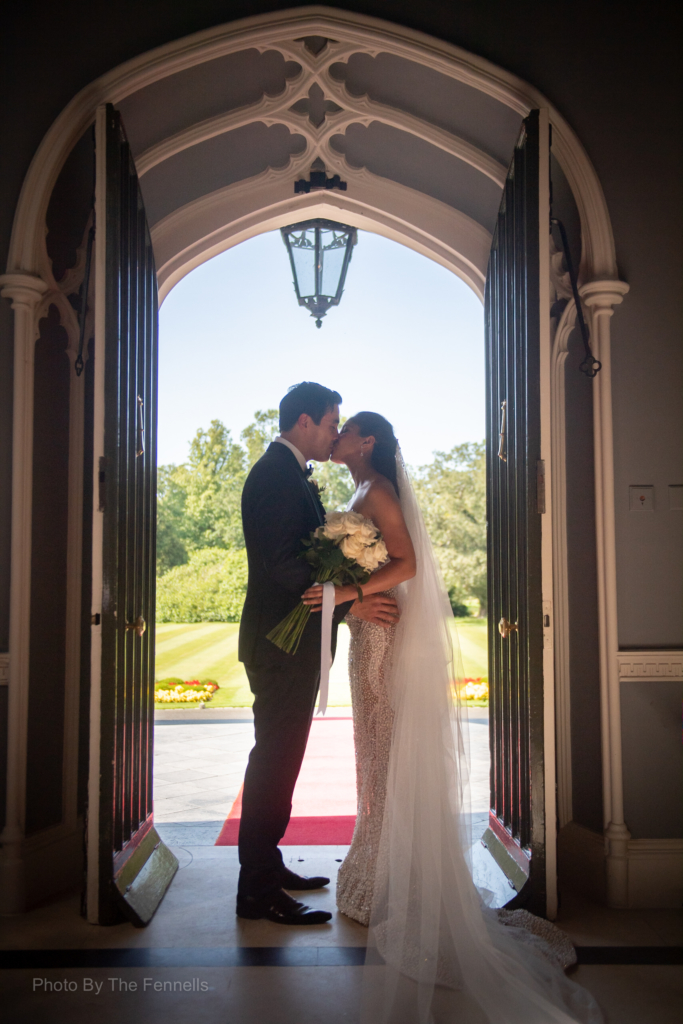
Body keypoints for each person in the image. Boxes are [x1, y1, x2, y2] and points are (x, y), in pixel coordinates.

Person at [303, 412, 603, 1024]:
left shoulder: (379, 491)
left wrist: (349, 595)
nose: (335, 436)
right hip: (369, 632)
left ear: (368, 442)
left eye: (346, 428)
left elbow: (407, 564)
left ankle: (392, 882)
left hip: (383, 635)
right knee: (373, 751)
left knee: (384, 748)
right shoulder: (358, 491)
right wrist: (349, 590)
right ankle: (374, 870)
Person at [236, 384, 400, 927]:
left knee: (281, 758)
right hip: (280, 645)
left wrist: (345, 592)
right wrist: (352, 603)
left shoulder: (289, 473)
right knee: (274, 761)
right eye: (332, 422)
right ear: (305, 420)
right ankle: (256, 890)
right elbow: (284, 566)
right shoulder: (276, 476)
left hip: (294, 641)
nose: (335, 432)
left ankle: (267, 862)